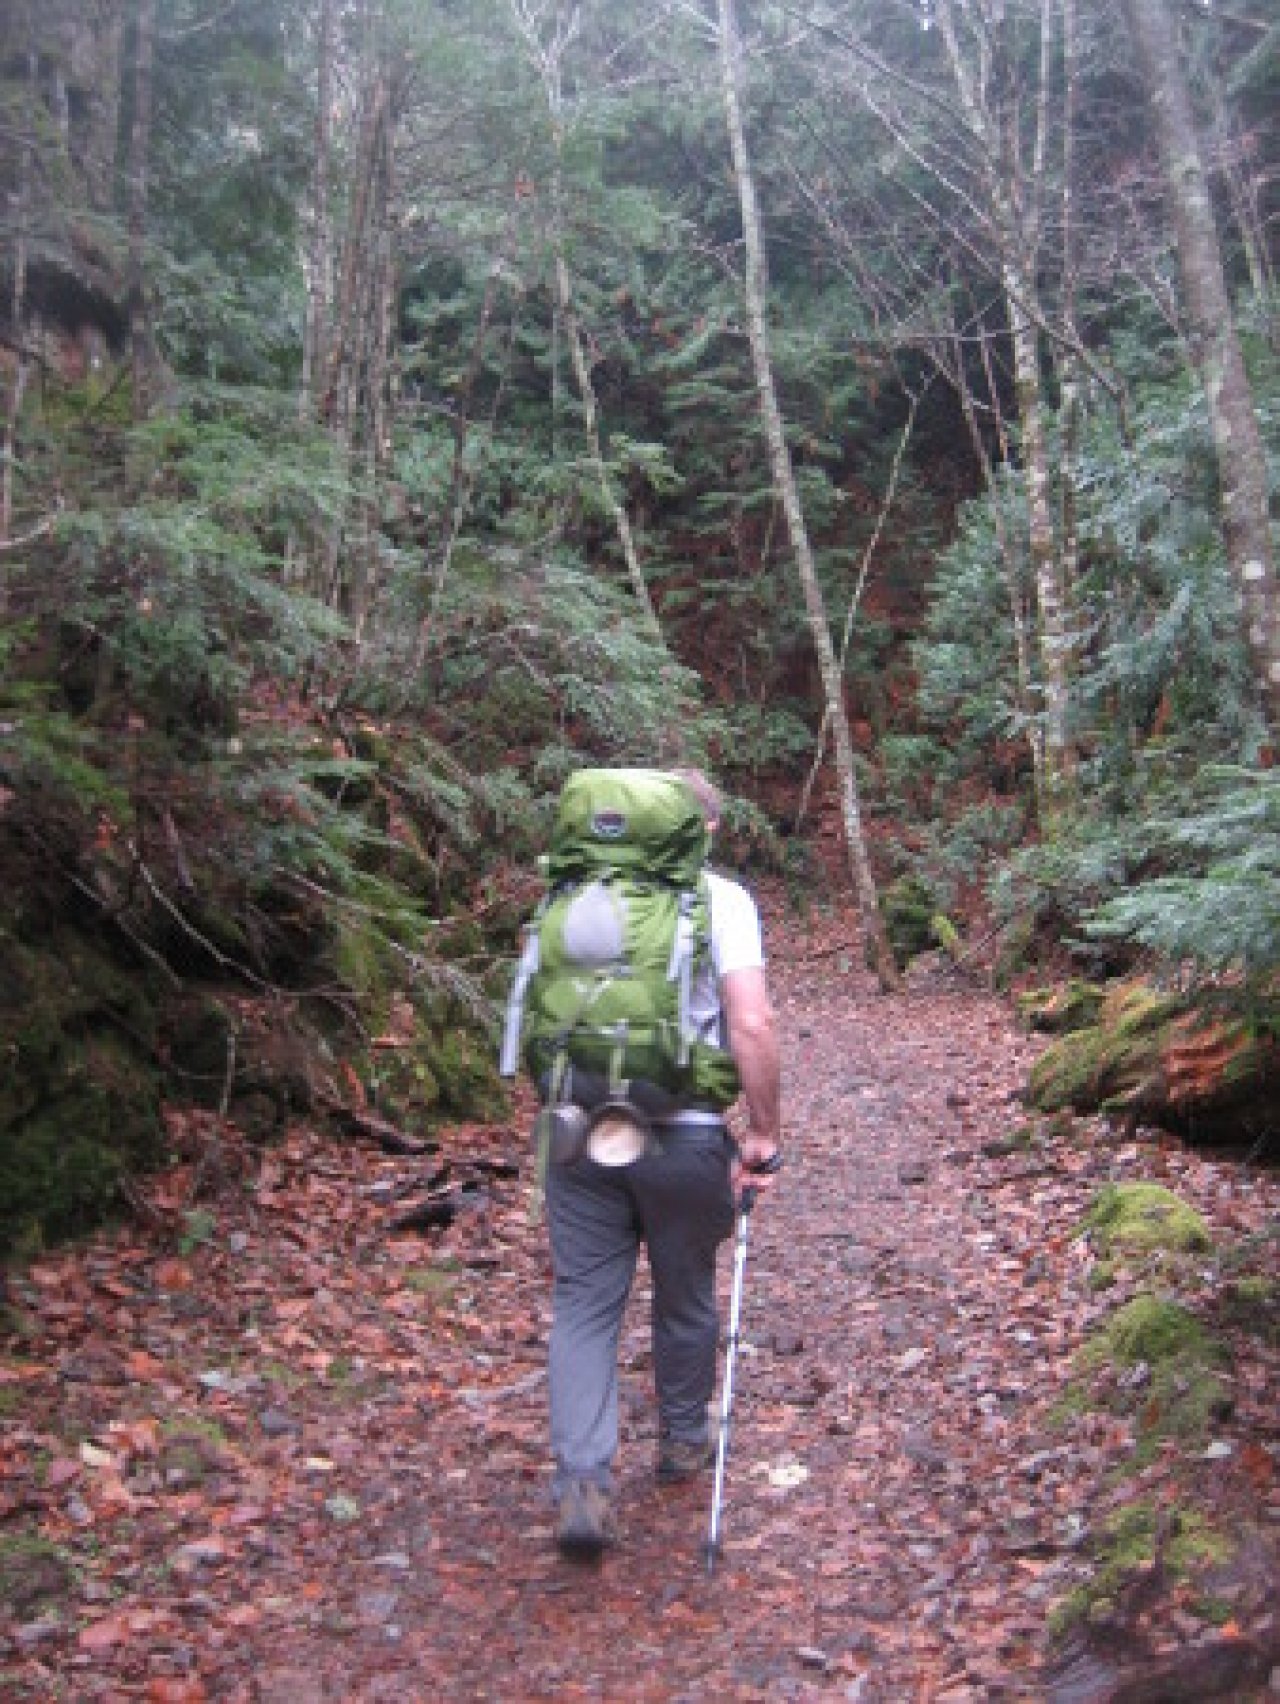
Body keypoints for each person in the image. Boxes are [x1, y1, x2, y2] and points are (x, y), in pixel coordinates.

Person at [545, 767, 783, 1559]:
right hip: (683, 1134)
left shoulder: (572, 889)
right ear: (703, 828)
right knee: (684, 1290)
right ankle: (683, 1440)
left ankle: (583, 1481)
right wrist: (763, 1131)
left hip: (581, 1129)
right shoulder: (722, 901)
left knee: (584, 1304)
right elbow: (751, 1024)